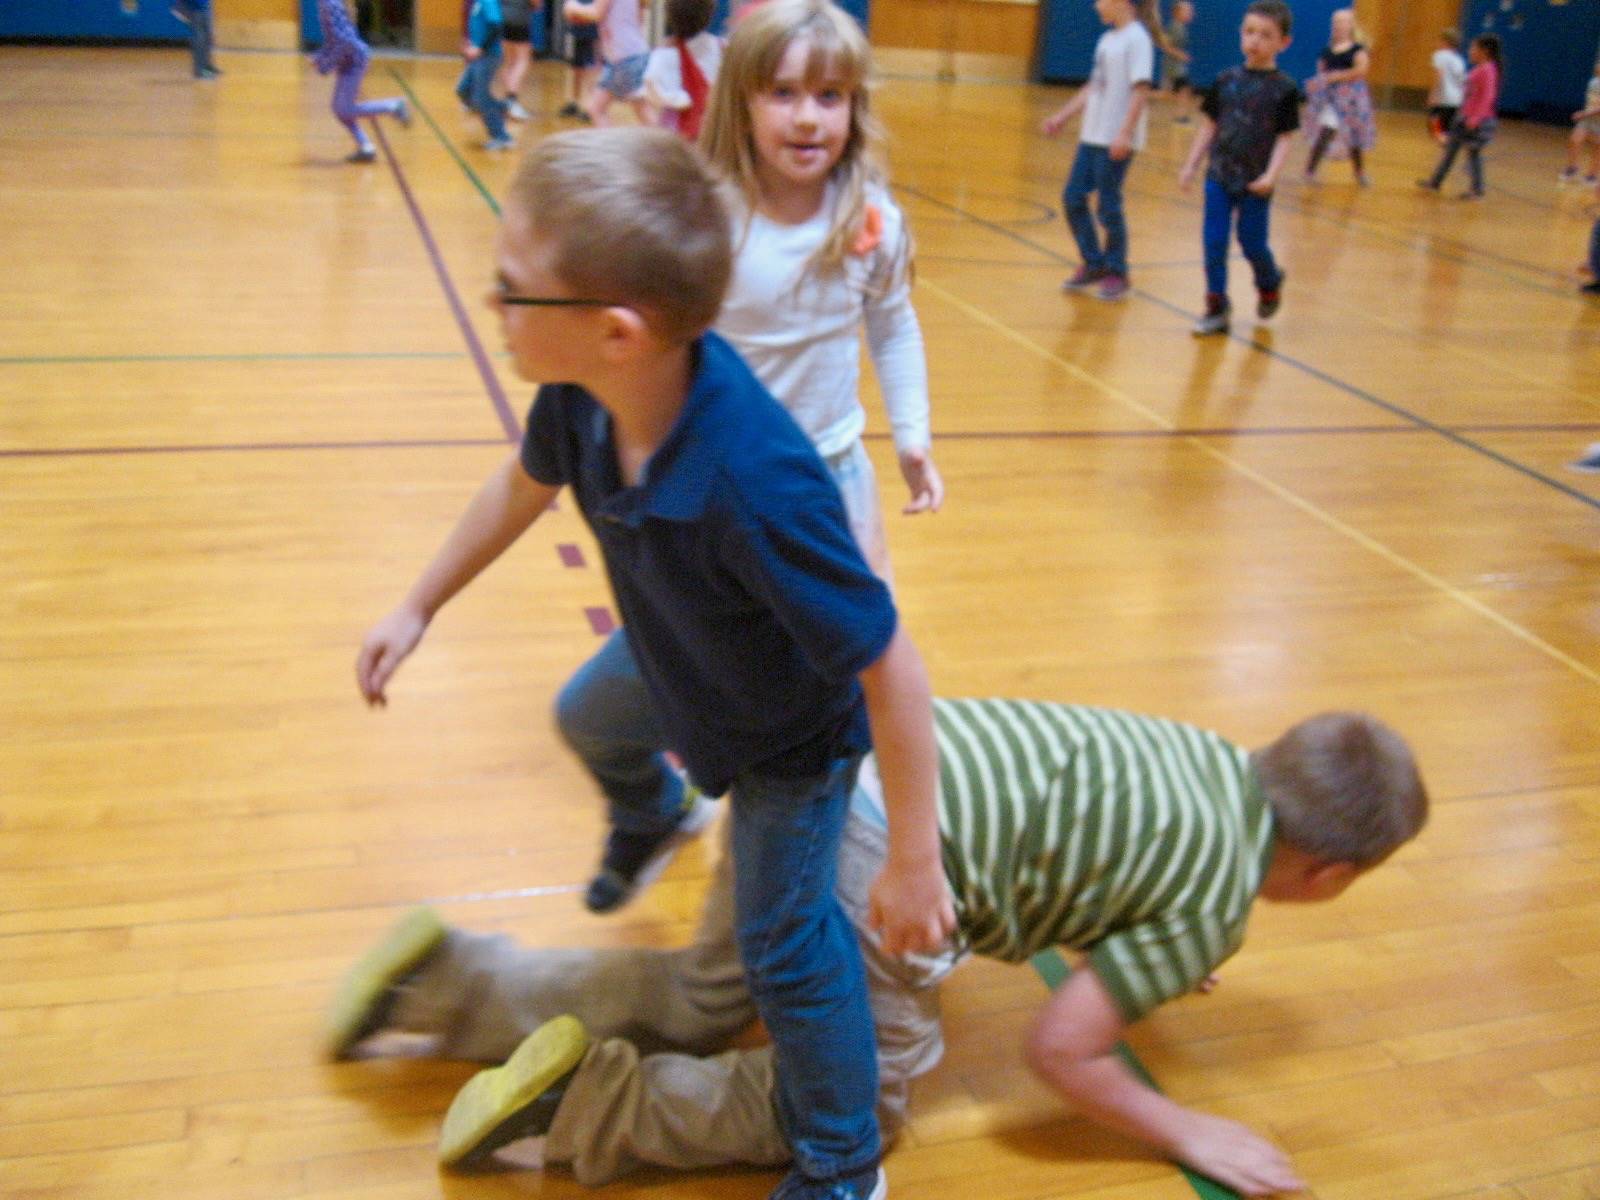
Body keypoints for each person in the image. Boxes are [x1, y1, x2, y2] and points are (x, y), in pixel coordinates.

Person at [352, 127, 955, 1200]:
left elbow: (889, 663)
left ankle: (842, 1161)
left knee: (782, 944)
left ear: (615, 330)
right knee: (589, 717)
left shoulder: (759, 484)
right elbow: (521, 489)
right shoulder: (584, 394)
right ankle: (652, 813)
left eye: (511, 291)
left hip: (788, 740)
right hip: (684, 649)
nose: (494, 309)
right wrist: (418, 602)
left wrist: (915, 858)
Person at [329, 700, 1429, 1199]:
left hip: (820, 770)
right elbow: (1063, 1055)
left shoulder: (1202, 760)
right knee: (856, 1102)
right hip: (887, 864)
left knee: (707, 987)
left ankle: (450, 981)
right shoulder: (1213, 899)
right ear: (1325, 876)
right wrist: (1184, 1124)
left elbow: (1105, 846)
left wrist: (1159, 948)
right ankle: (584, 1108)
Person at [703, 0, 943, 579]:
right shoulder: (706, 218)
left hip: (832, 473)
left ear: (855, 107)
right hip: (725, 472)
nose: (808, 118)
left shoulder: (870, 219)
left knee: (853, 644)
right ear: (741, 106)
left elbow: (892, 326)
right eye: (783, 94)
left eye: (829, 96)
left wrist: (912, 436)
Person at [1178, 0, 1301, 336]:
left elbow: (1285, 139)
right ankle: (1216, 305)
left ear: (1283, 43)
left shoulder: (1285, 89)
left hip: (1256, 181)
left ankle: (1269, 281)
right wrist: (1191, 165)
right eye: (1249, 32)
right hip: (1219, 175)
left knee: (1251, 242)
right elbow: (1208, 126)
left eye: (1265, 35)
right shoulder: (1225, 79)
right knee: (1213, 241)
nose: (1255, 41)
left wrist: (1271, 176)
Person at [1040, 0, 1156, 303]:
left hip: (1115, 139)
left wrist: (1125, 132)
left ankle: (1118, 270)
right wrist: (1063, 116)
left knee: (1108, 205)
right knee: (1073, 197)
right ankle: (1094, 262)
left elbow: (1141, 90)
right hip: (1092, 135)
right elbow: (1094, 87)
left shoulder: (1138, 38)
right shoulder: (1107, 39)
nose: (1096, 5)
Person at [313, 0, 410, 163]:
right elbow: (333, 40)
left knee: (344, 109)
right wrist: (320, 57)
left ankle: (394, 106)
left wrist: (325, 65)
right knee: (340, 109)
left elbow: (344, 42)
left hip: (354, 61)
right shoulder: (326, 3)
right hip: (348, 60)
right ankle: (366, 147)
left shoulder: (331, 4)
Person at [1417, 34, 1501, 200]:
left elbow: (1487, 97)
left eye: (1473, 48)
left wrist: (1475, 118)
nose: (1470, 51)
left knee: (1473, 155)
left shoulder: (1488, 70)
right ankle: (1435, 182)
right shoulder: (1480, 68)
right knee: (1450, 151)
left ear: (1484, 51)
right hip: (1464, 116)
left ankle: (1477, 190)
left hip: (1477, 120)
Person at [1302, 8, 1376, 187]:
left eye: (1342, 22)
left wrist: (1337, 76)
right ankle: (1309, 171)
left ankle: (1359, 172)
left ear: (1350, 25)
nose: (1338, 26)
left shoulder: (1357, 49)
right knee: (1325, 132)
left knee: (1353, 138)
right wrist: (1319, 82)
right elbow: (1322, 71)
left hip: (1351, 101)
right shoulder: (1327, 50)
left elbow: (1361, 70)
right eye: (1336, 23)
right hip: (1331, 100)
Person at [642, 0, 722, 140]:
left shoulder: (663, 54)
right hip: (713, 128)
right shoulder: (721, 47)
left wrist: (679, 99)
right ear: (710, 14)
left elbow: (653, 93)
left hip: (676, 133)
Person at [562, 0, 651, 126]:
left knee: (597, 109)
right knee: (597, 108)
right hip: (629, 56)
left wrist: (572, 6)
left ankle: (667, 143)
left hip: (625, 58)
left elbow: (596, 13)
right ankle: (667, 142)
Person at [457, 0, 515, 149]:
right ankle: (502, 106)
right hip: (479, 56)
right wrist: (469, 42)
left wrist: (481, 48)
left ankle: (502, 137)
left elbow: (495, 25)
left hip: (488, 56)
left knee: (481, 98)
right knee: (463, 90)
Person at [1561, 59, 1600, 185]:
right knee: (1574, 140)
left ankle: (1592, 175)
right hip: (1588, 119)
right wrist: (1586, 113)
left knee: (1597, 148)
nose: (1597, 67)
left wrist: (1583, 113)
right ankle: (1572, 168)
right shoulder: (1593, 82)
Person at [498, 0, 539, 121]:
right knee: (523, 60)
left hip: (503, 16)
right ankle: (512, 101)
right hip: (519, 18)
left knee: (508, 61)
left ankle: (507, 102)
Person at [1427, 28, 1465, 145]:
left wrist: (1433, 94)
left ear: (1445, 42)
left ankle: (1448, 148)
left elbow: (1439, 75)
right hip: (1457, 99)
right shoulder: (1459, 59)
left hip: (1443, 98)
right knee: (1446, 129)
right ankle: (1448, 150)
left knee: (1434, 125)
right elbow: (1462, 80)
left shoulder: (1440, 55)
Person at [1163, 0, 1196, 123]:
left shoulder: (1180, 27)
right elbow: (1166, 46)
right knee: (1181, 91)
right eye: (1188, 11)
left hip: (1178, 67)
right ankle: (1180, 116)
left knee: (1182, 91)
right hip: (1174, 67)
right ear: (1178, 13)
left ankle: (1180, 116)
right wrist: (1180, 55)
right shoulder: (1175, 27)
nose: (1191, 14)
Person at [170, 0, 220, 79]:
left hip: (204, 6)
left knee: (208, 37)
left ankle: (207, 66)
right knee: (200, 39)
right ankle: (199, 70)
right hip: (195, 9)